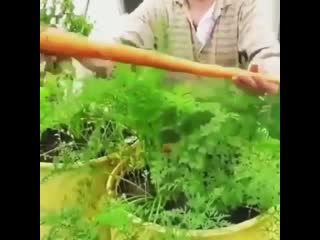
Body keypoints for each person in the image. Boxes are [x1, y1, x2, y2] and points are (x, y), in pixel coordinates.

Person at [47, 0, 280, 95]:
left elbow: (266, 53)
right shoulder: (158, 7)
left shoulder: (246, 5)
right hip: (169, 142)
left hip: (233, 137)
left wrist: (271, 78)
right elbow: (115, 57)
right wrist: (72, 46)